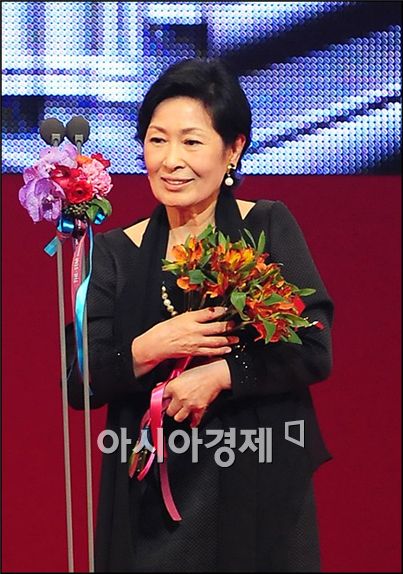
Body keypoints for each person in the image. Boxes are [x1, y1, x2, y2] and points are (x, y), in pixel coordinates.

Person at [67, 58, 334, 572]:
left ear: (233, 149)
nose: (171, 160)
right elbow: (81, 381)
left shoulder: (267, 225)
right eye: (157, 140)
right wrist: (151, 346)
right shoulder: (114, 253)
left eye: (191, 142)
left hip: (257, 478)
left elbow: (314, 348)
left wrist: (221, 374)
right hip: (151, 495)